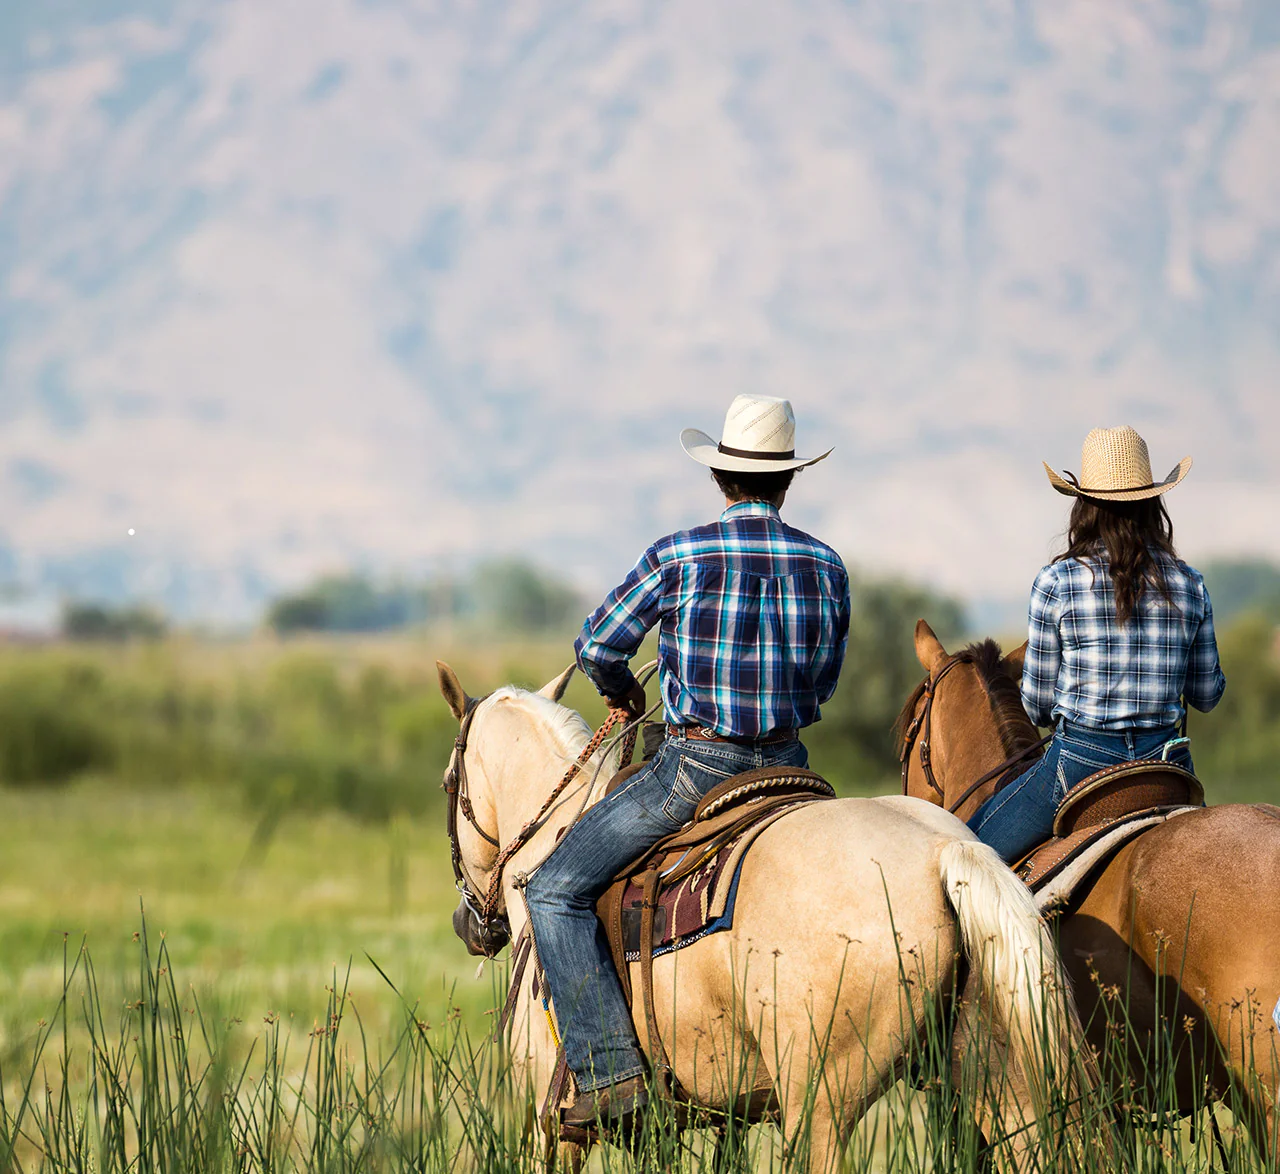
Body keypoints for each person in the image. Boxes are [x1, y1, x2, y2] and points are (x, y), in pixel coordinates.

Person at [523, 394, 851, 1130]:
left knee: (552, 891)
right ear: (788, 481)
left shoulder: (679, 554)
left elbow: (599, 645)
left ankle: (612, 1079)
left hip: (697, 767)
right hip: (792, 770)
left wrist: (623, 692)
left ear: (721, 478)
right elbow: (825, 679)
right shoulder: (827, 564)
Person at [969, 425, 1226, 865]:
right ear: (1153, 502)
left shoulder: (1057, 582)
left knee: (968, 853)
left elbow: (1036, 706)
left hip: (1080, 764)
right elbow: (1207, 696)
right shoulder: (1190, 584)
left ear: (1083, 506)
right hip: (1168, 766)